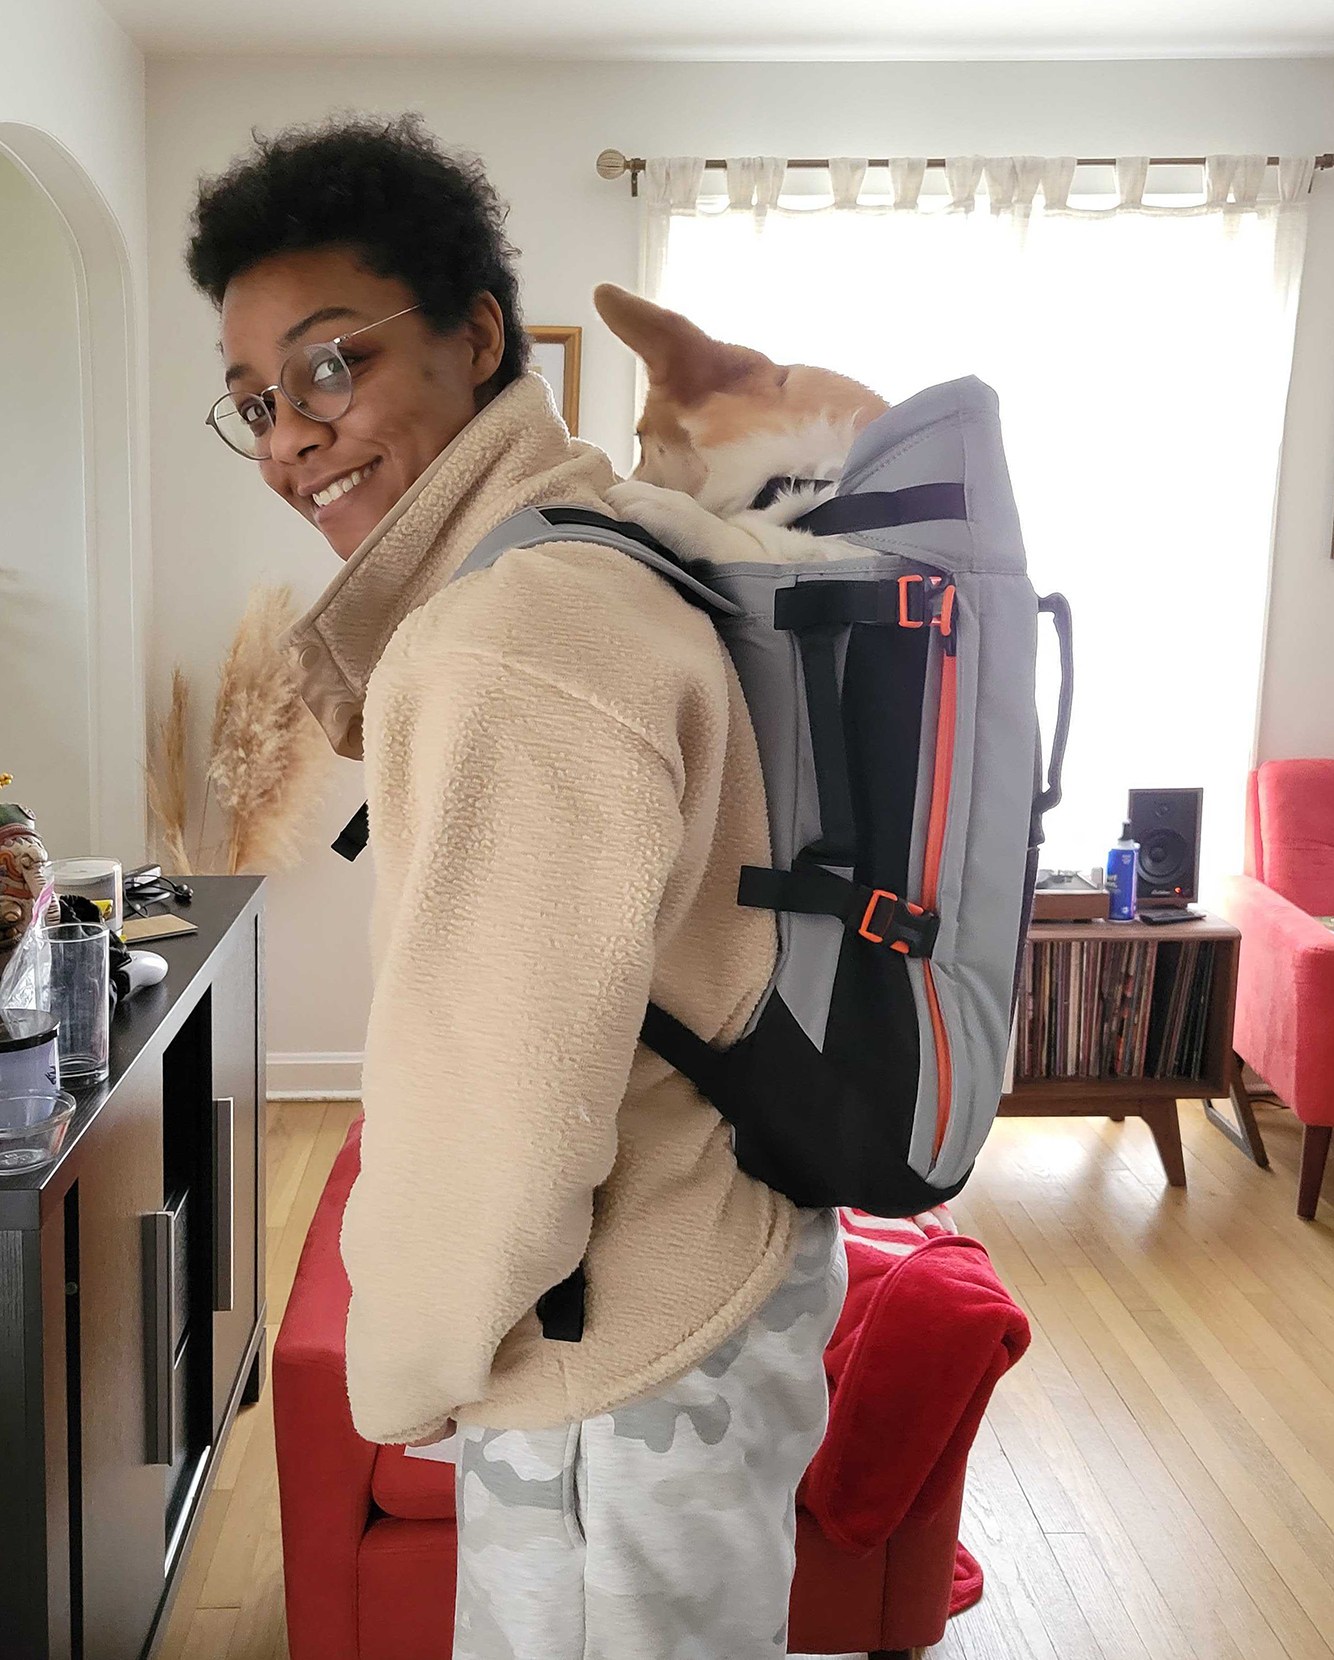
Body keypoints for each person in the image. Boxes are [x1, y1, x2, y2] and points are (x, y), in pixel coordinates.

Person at [187, 113, 846, 1660]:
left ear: (477, 334)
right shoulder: (600, 539)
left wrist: (403, 1367)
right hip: (709, 1279)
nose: (289, 438)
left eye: (332, 365)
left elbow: (500, 1109)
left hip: (614, 1358)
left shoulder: (507, 637)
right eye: (253, 403)